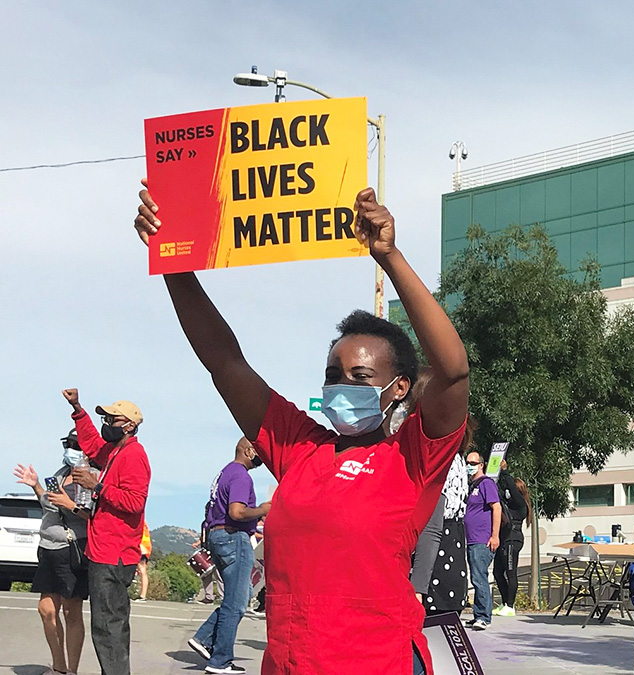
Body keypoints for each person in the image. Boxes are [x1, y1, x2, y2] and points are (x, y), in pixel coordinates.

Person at [134, 184, 469, 675]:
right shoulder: (300, 448)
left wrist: (389, 256)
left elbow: (453, 370)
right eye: (333, 376)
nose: (341, 387)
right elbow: (225, 362)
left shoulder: (413, 458)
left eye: (360, 377)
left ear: (398, 389)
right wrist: (173, 262)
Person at [59, 390, 151, 675]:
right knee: (108, 625)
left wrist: (96, 487)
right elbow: (91, 442)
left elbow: (135, 502)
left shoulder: (134, 455)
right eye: (106, 417)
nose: (107, 422)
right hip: (106, 552)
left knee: (108, 626)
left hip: (114, 555)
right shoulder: (115, 452)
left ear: (129, 426)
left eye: (113, 418)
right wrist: (77, 409)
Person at [11, 430, 95, 675]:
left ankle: (72, 669)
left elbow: (93, 515)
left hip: (72, 549)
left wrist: (70, 505)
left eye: (76, 445)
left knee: (71, 611)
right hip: (48, 547)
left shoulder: (91, 477)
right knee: (46, 609)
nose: (70, 449)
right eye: (68, 443)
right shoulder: (61, 474)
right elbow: (48, 504)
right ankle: (58, 666)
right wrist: (36, 485)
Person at [187, 437, 272, 674]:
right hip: (234, 538)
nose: (261, 458)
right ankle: (220, 659)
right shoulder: (241, 476)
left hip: (218, 536)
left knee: (241, 595)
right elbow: (237, 511)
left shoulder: (225, 473)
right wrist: (262, 510)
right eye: (259, 452)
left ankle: (204, 638)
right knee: (236, 602)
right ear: (249, 451)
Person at [411, 419, 472, 617]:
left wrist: (418, 587)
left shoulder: (439, 461)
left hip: (430, 566)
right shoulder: (458, 460)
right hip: (451, 559)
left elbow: (431, 527)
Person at [463, 451, 501, 630]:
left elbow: (496, 508)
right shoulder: (472, 486)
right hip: (471, 539)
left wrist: (494, 535)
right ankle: (479, 613)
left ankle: (484, 616)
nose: (469, 465)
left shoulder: (487, 484)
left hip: (482, 539)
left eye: (473, 462)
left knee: (479, 577)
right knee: (476, 576)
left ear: (481, 465)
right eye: (467, 462)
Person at [493, 460, 531, 617]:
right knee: (497, 572)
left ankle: (510, 605)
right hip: (504, 539)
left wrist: (505, 472)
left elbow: (513, 493)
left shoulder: (520, 503)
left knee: (510, 572)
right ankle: (504, 603)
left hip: (513, 539)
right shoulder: (507, 503)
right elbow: (500, 491)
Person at [133, 522, 151, 602]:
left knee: (142, 570)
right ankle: (143, 595)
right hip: (145, 547)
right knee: (142, 570)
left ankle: (143, 595)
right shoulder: (143, 522)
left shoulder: (138, 521)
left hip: (140, 546)